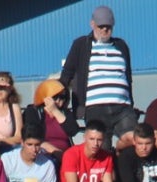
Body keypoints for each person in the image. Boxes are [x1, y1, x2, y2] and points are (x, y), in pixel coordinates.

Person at [57, 5, 136, 147]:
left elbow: (128, 77)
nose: (105, 30)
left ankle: (119, 155)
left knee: (133, 140)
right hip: (95, 108)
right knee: (101, 148)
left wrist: (131, 102)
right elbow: (67, 73)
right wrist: (58, 96)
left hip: (122, 106)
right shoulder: (81, 44)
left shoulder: (121, 45)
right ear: (92, 24)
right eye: (101, 26)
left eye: (108, 26)